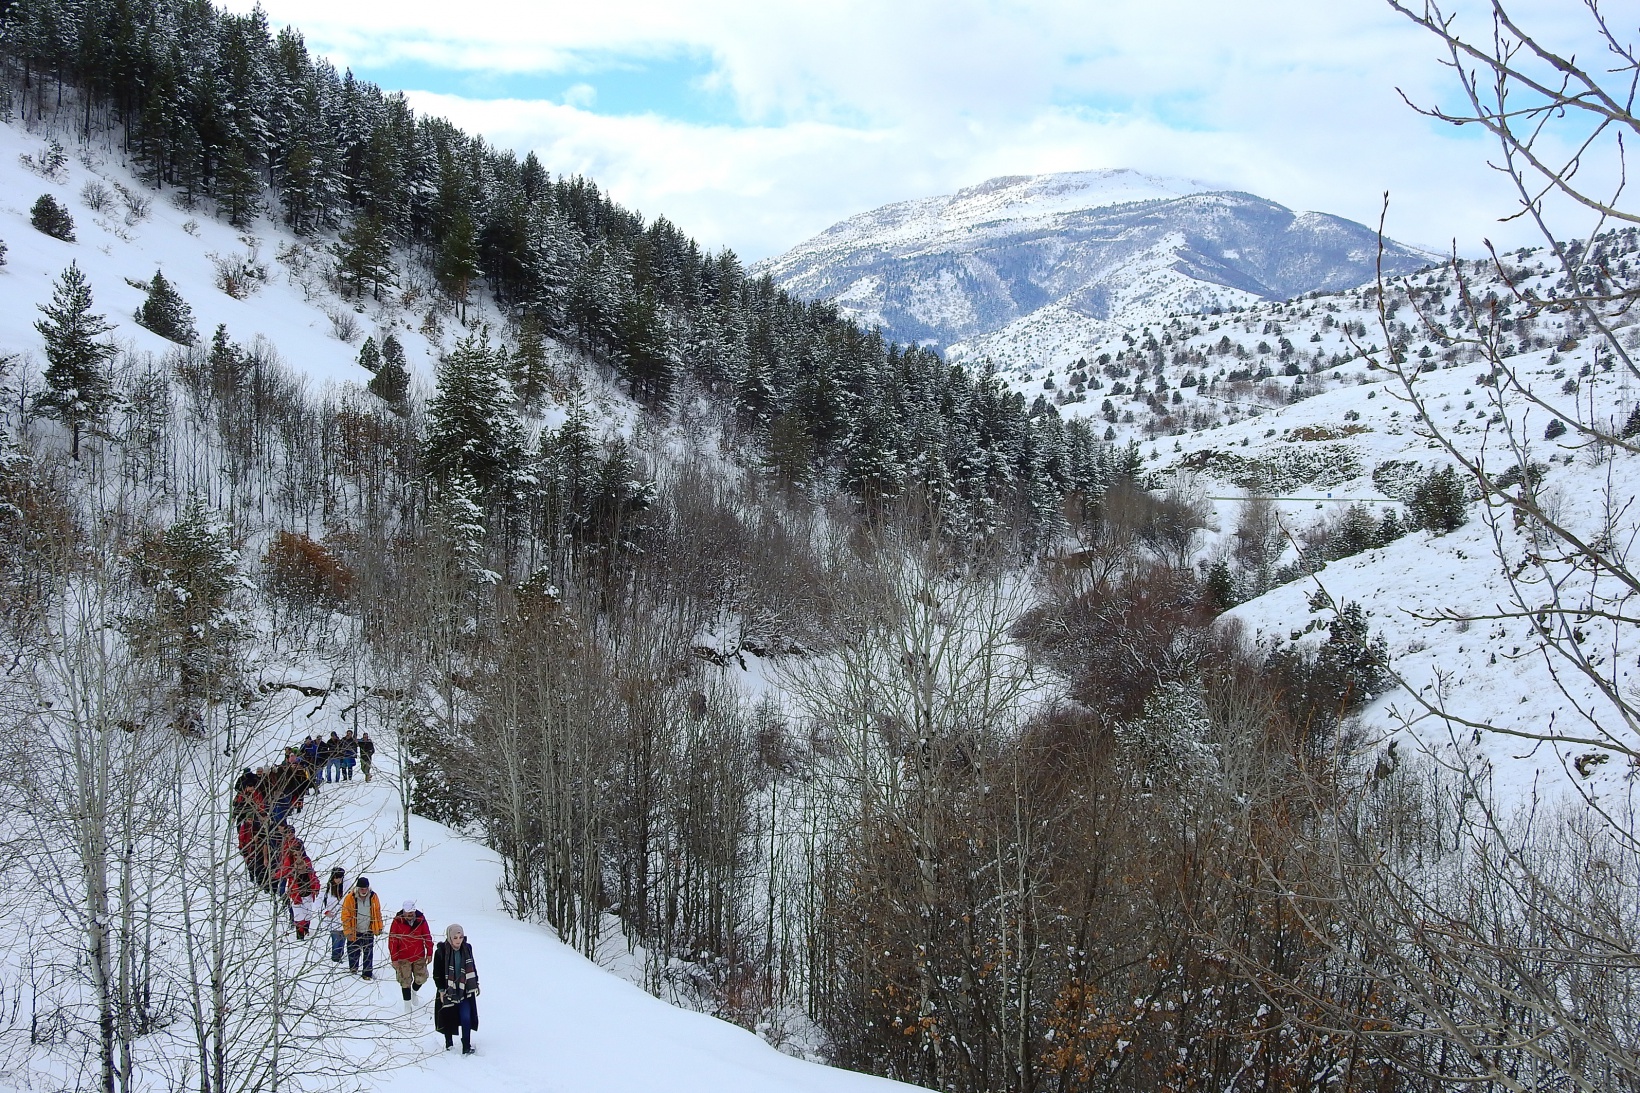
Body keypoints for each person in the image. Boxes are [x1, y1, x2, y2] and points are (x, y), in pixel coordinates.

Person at [432, 924, 479, 1054]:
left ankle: (466, 1045)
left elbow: (472, 966)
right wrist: (441, 989)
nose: (458, 940)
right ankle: (449, 1044)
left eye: (461, 937)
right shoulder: (441, 951)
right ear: (449, 938)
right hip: (448, 990)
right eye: (455, 937)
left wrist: (476, 983)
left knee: (466, 1017)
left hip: (465, 989)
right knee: (448, 1016)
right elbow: (437, 973)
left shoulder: (467, 948)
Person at [388, 900, 434, 1001]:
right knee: (405, 981)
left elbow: (427, 936)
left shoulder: (420, 919)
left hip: (419, 955)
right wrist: (394, 959)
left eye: (412, 912)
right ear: (404, 911)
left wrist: (429, 952)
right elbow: (392, 941)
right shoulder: (397, 921)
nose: (410, 914)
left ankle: (414, 991)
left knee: (422, 978)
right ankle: (407, 1005)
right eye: (408, 912)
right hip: (403, 957)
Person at [341, 876, 383, 978]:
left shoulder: (373, 897)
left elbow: (377, 912)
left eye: (365, 888)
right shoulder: (350, 898)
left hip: (368, 930)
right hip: (354, 930)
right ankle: (353, 971)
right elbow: (345, 916)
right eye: (361, 889)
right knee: (353, 952)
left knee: (368, 953)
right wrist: (348, 931)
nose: (364, 891)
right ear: (357, 888)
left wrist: (379, 927)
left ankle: (367, 973)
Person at [317, 867, 346, 962]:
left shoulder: (347, 887)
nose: (338, 880)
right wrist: (325, 912)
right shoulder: (326, 888)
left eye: (340, 878)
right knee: (336, 940)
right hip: (332, 919)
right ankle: (335, 958)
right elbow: (319, 902)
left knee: (342, 940)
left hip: (344, 918)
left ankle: (340, 956)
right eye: (337, 878)